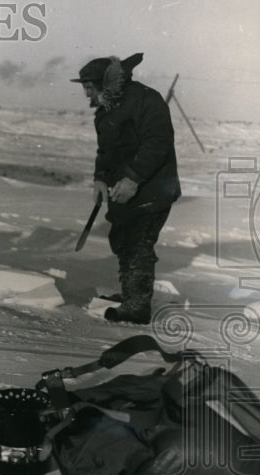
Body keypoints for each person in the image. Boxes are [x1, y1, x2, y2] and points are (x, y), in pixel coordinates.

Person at [72, 52, 181, 324]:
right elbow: (106, 151)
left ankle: (138, 306)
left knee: (138, 243)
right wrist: (99, 178)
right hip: (123, 190)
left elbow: (157, 143)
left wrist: (132, 179)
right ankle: (131, 296)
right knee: (123, 241)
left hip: (151, 187)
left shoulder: (146, 100)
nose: (86, 95)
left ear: (103, 84)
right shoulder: (108, 110)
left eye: (88, 88)